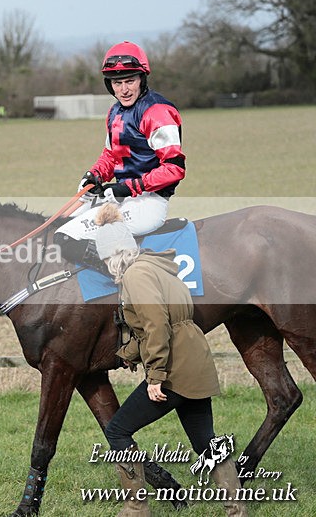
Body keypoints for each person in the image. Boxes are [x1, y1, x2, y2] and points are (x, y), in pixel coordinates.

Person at [94, 203, 247, 516]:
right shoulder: (157, 268)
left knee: (117, 431)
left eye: (105, 258)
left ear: (113, 254)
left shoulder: (135, 276)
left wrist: (156, 376)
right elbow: (168, 320)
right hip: (195, 359)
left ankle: (136, 509)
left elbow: (156, 325)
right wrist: (129, 355)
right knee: (206, 441)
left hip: (174, 368)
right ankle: (237, 510)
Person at [54, 41, 186, 271]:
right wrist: (94, 175)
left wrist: (128, 187)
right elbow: (110, 155)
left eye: (130, 81)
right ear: (110, 85)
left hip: (148, 203)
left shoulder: (157, 112)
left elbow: (174, 169)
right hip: (120, 197)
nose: (124, 89)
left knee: (66, 238)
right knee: (61, 222)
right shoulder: (115, 111)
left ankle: (127, 281)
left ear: (142, 80)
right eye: (117, 83)